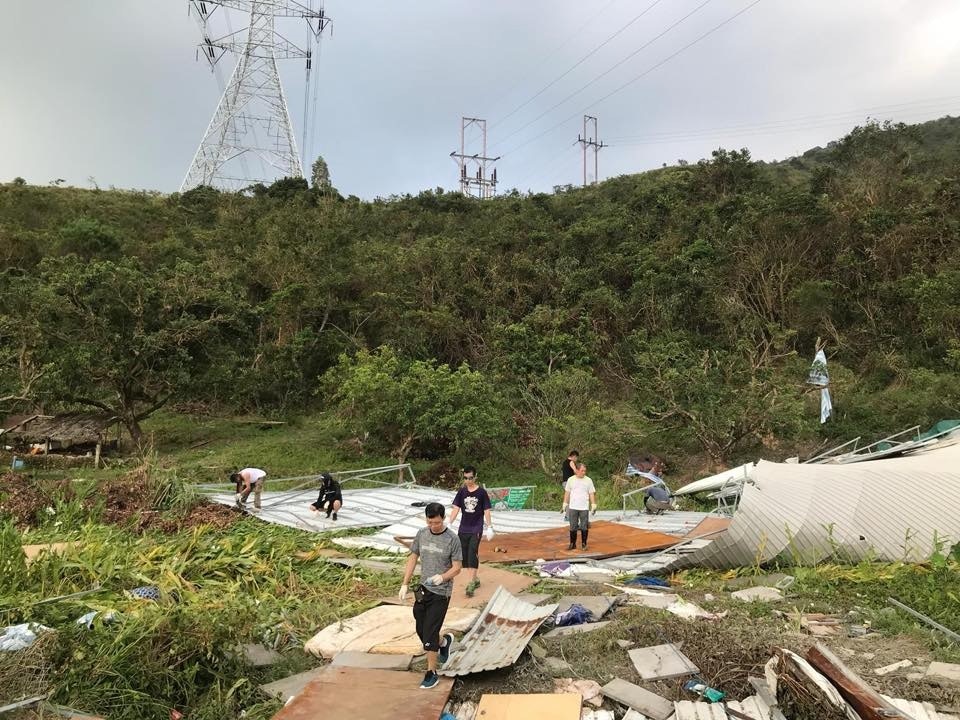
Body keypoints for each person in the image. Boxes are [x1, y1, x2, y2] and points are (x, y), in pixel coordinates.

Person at [399, 502, 462, 689]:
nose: (433, 526)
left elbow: (457, 568)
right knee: (420, 627)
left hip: (441, 592)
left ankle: (431, 672)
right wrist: (405, 583)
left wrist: (442, 577)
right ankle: (444, 642)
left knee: (430, 632)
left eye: (436, 522)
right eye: (430, 522)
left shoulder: (452, 539)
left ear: (443, 519)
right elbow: (413, 558)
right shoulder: (421, 534)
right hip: (423, 589)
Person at [447, 465, 493, 597]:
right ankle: (475, 579)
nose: (468, 481)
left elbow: (487, 510)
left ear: (475, 477)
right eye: (466, 478)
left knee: (473, 552)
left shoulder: (481, 493)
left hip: (476, 528)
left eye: (471, 478)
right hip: (463, 528)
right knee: (465, 556)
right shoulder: (462, 492)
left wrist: (489, 527)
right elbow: (456, 508)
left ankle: (471, 583)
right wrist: (449, 522)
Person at [561, 462, 596, 551]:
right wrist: (565, 503)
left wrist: (593, 504)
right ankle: (572, 544)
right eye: (582, 471)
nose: (584, 472)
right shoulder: (570, 480)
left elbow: (591, 493)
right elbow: (567, 492)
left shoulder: (588, 480)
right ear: (576, 470)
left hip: (584, 507)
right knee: (573, 526)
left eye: (585, 471)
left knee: (584, 526)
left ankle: (584, 544)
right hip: (573, 507)